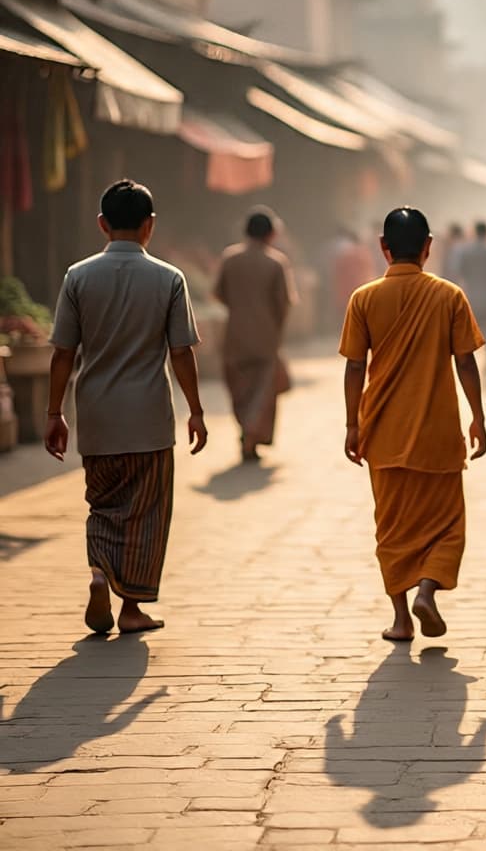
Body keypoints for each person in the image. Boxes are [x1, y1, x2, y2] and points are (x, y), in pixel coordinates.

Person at [44, 179, 206, 635]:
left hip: (95, 416)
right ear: (149, 226)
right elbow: (181, 352)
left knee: (103, 505)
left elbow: (62, 353)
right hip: (149, 420)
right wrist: (195, 409)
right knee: (147, 515)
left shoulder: (77, 277)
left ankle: (100, 571)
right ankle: (131, 609)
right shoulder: (169, 278)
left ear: (102, 224)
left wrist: (53, 413)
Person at [341, 207, 486, 643]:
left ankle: (402, 618)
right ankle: (428, 588)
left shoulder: (364, 299)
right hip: (437, 434)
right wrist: (478, 416)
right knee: (447, 524)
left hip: (382, 433)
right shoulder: (449, 296)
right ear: (429, 247)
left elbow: (354, 367)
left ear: (383, 248)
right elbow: (466, 362)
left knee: (392, 528)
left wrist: (352, 424)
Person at [215, 209, 297, 463]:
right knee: (262, 391)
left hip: (235, 335)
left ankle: (246, 432)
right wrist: (277, 331)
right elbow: (284, 302)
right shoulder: (275, 262)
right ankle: (251, 434)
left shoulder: (230, 258)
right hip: (266, 336)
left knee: (240, 389)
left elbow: (219, 293)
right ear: (271, 234)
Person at [453, 222, 486, 374]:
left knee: (470, 331)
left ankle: (470, 363)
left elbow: (459, 273)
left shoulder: (466, 252)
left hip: (471, 296)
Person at [332, 228, 376, 326]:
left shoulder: (345, 255)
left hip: (347, 290)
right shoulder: (365, 253)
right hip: (363, 287)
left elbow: (338, 272)